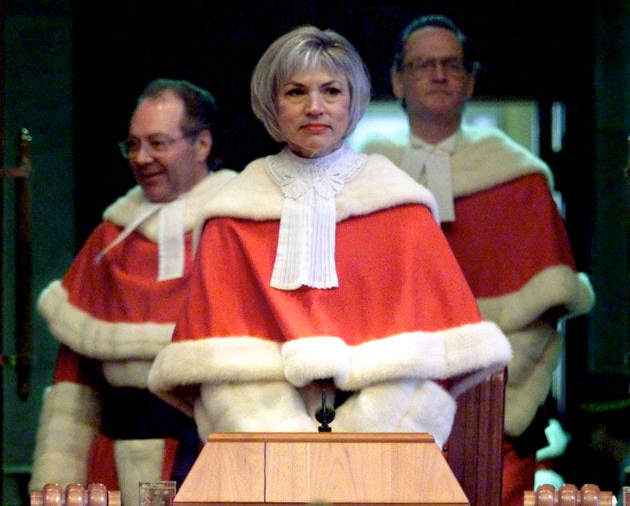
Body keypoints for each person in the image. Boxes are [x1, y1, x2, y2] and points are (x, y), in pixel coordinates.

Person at [148, 25, 512, 456]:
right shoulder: (231, 215)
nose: (315, 107)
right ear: (272, 102)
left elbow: (437, 360)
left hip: (387, 443)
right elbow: (215, 365)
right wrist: (282, 445)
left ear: (353, 101)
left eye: (332, 91)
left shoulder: (401, 206)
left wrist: (362, 441)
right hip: (262, 448)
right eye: (296, 92)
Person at [356, 14, 595, 505]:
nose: (439, 75)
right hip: (394, 403)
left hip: (495, 408)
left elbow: (547, 306)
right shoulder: (364, 181)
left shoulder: (520, 178)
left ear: (470, 80)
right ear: (398, 79)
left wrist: (497, 395)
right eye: (423, 65)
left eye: (451, 64)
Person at [29, 78, 237, 505]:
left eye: (158, 144)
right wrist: (57, 482)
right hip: (113, 471)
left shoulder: (238, 229)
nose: (142, 159)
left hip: (213, 459)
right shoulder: (109, 238)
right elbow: (75, 378)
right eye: (133, 145)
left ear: (201, 145)